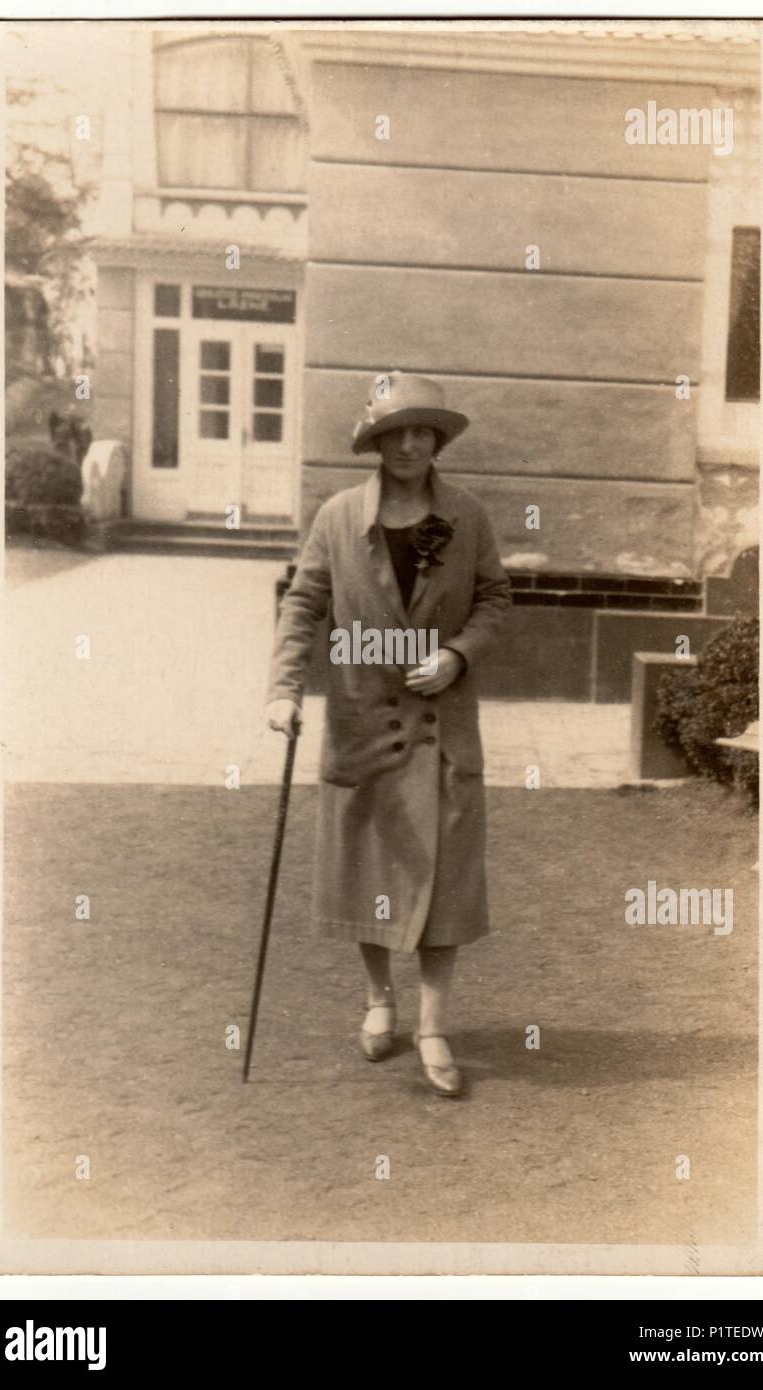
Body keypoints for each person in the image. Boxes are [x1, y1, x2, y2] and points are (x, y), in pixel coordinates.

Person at [265, 372, 511, 1097]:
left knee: (446, 881)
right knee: (367, 871)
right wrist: (282, 691)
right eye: (395, 432)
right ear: (374, 441)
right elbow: (304, 604)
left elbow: (496, 597)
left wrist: (458, 653)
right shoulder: (339, 516)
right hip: (362, 715)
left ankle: (433, 1024)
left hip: (442, 723)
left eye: (422, 431)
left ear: (436, 440)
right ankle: (379, 1001)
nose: (409, 444)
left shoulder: (466, 515)